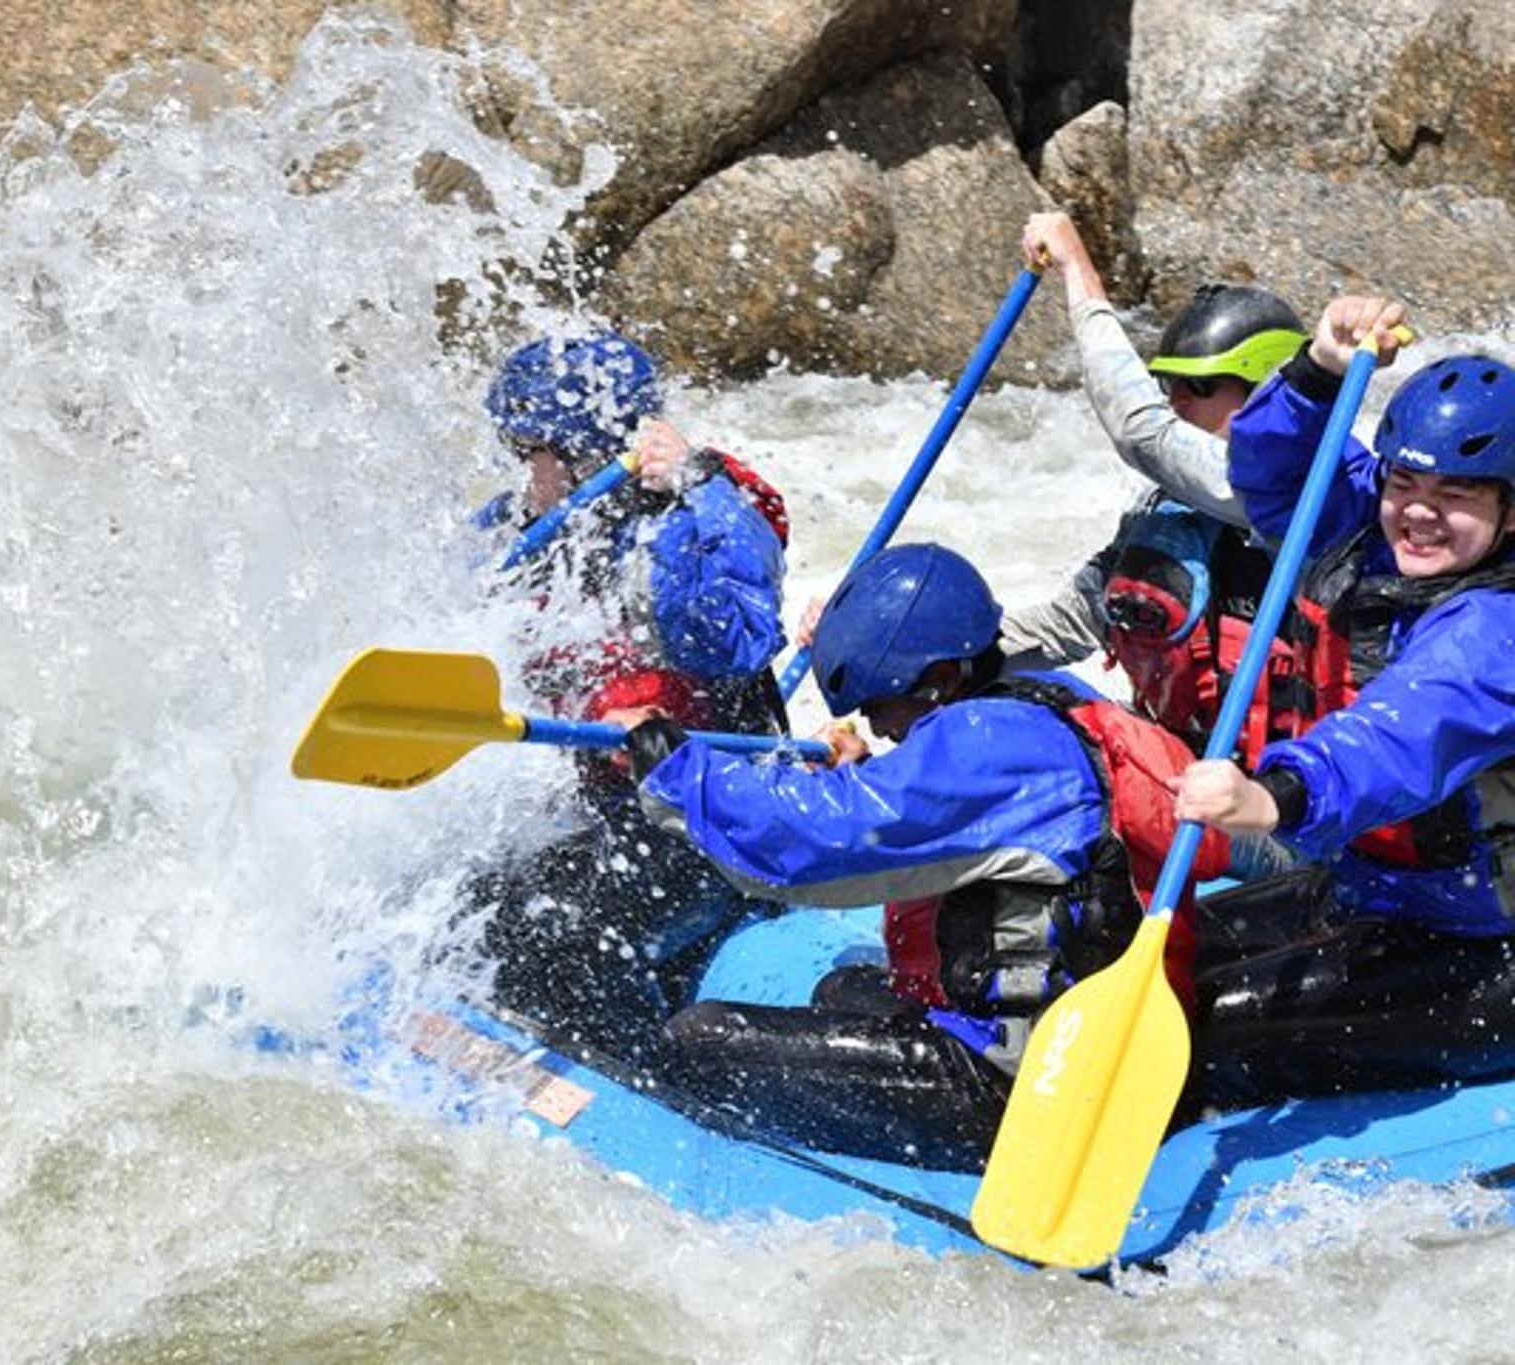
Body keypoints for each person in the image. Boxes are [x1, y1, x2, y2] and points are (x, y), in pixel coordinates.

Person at [613, 543, 1227, 1167]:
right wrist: (869, 774)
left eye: (881, 705)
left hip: (1029, 1081)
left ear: (942, 680)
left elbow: (815, 845)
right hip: (1069, 1031)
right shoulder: (1041, 703)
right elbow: (945, 812)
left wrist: (676, 770)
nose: (878, 727)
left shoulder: (982, 746)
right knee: (842, 987)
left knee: (699, 1040)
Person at [1172, 296, 1515, 1105]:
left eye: (1457, 493)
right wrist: (1317, 370)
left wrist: (1281, 792)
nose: (1420, 510)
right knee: (1155, 954)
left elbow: (1398, 736)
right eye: (1406, 480)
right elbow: (1275, 471)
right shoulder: (1376, 531)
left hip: (1486, 947)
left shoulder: (1494, 632)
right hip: (1376, 894)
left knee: (1195, 1026)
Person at [466, 330, 792, 1064]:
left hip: (705, 821)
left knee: (561, 942)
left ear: (583, 456)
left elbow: (741, 637)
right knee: (469, 902)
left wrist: (697, 481)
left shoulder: (677, 534)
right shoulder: (531, 532)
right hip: (609, 811)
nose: (521, 476)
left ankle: (633, 1075)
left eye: (528, 454)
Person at [1007, 215, 1313, 782]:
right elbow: (1068, 624)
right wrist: (937, 658)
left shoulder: (1299, 495)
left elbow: (1140, 431)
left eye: (1199, 387)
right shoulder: (1170, 512)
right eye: (1168, 386)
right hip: (1183, 778)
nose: (1176, 404)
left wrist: (1078, 269)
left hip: (1284, 798)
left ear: (1266, 394)